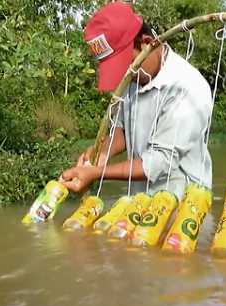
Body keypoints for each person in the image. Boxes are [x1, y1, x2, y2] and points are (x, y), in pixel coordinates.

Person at [59, 2, 213, 200]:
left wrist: (97, 174)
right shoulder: (134, 79)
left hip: (184, 206)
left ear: (147, 42)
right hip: (140, 202)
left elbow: (159, 162)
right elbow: (123, 131)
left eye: (126, 65)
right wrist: (100, 155)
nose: (125, 75)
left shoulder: (187, 87)